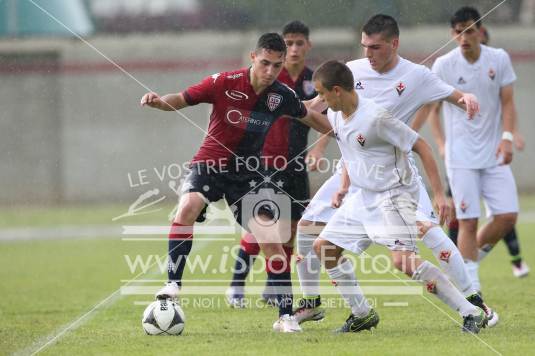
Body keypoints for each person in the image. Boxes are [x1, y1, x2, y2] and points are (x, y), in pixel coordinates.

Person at [293, 14, 497, 327]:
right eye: (364, 47)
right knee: (319, 242)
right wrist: (345, 182)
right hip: (361, 185)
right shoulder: (345, 86)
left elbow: (427, 137)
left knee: (419, 244)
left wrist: (466, 98)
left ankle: (473, 305)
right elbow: (330, 126)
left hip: (394, 187)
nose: (367, 54)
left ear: (394, 44)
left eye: (375, 47)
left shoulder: (389, 103)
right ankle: (357, 313)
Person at [140, 32, 332, 333]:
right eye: (265, 63)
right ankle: (173, 284)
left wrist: (344, 133)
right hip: (210, 162)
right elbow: (181, 98)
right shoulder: (223, 82)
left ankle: (285, 316)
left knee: (271, 237)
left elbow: (309, 116)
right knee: (188, 206)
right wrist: (159, 103)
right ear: (253, 58)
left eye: (276, 66)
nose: (270, 72)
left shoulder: (281, 96)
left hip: (248, 173)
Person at [426, 7, 520, 295]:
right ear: (452, 35)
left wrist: (507, 137)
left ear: (480, 31)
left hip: (493, 154)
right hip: (461, 157)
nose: (463, 37)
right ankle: (473, 293)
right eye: (457, 32)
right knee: (467, 221)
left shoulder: (499, 58)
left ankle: (465, 266)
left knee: (507, 217)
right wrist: (441, 144)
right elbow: (434, 110)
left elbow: (507, 103)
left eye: (468, 30)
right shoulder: (443, 65)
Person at [225, 21, 319, 308]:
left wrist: (320, 147)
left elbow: (325, 120)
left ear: (307, 46)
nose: (293, 49)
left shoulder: (313, 80)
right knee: (263, 226)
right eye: (288, 43)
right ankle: (236, 287)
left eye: (298, 43)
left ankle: (271, 288)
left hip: (296, 163)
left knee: (291, 227)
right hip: (265, 161)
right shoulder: (270, 81)